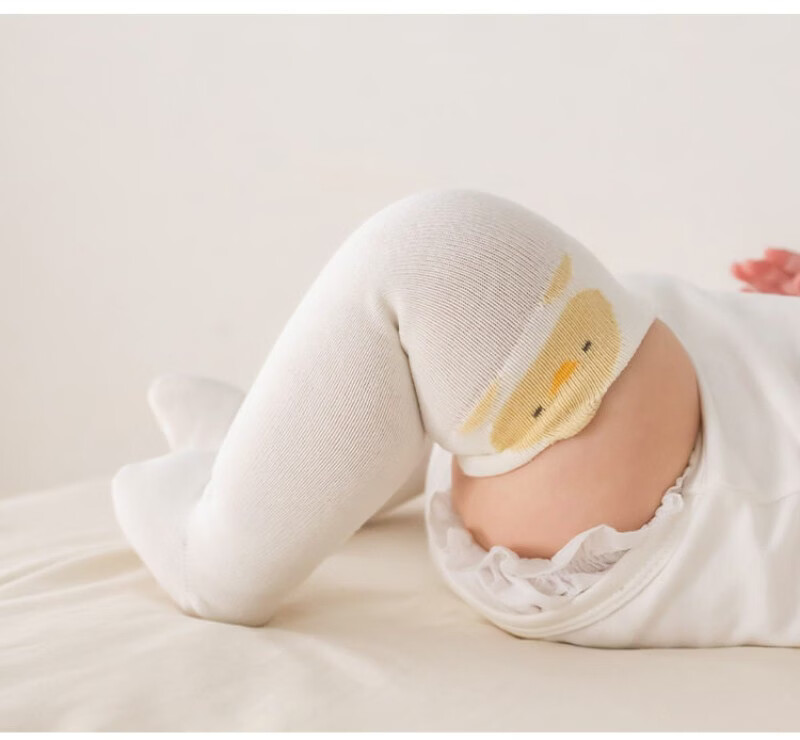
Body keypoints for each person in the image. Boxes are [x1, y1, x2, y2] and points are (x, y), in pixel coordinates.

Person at [112, 190, 800, 647]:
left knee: (441, 253)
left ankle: (217, 559)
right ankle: (257, 467)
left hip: (672, 483)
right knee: (438, 375)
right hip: (699, 385)